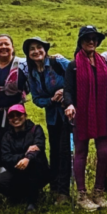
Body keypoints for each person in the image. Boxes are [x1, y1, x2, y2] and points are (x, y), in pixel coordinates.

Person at [65, 25, 107, 212]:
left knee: (104, 151)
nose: (91, 41)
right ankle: (81, 194)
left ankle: (99, 192)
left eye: (94, 38)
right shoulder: (74, 65)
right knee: (81, 152)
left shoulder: (103, 62)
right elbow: (68, 90)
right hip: (82, 114)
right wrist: (69, 105)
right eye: (87, 38)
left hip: (102, 112)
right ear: (80, 42)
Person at [25, 36, 73, 204]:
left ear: (45, 49)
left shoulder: (58, 62)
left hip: (69, 113)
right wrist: (51, 100)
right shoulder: (31, 73)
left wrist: (64, 91)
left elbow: (77, 74)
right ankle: (55, 187)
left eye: (39, 47)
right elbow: (37, 99)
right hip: (52, 117)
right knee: (55, 151)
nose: (36, 51)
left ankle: (64, 192)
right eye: (32, 49)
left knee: (66, 151)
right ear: (28, 54)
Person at [0, 35, 28, 180]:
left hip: (16, 116)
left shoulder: (23, 65)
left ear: (12, 47)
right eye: (0, 44)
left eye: (6, 44)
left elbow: (39, 73)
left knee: (15, 147)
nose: (3, 47)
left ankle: (17, 181)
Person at [0, 105, 50, 212]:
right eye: (12, 116)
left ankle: (32, 201)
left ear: (25, 115)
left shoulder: (36, 129)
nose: (15, 118)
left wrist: (28, 159)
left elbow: (39, 147)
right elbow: (5, 158)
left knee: (33, 165)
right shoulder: (6, 136)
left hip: (38, 170)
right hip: (16, 170)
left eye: (19, 115)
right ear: (8, 120)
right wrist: (25, 156)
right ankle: (18, 196)